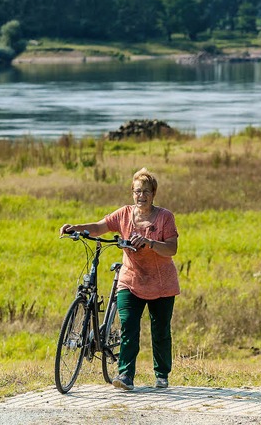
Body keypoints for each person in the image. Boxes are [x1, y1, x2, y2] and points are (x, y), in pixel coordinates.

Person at [59, 167, 179, 391]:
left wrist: (150, 243)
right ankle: (125, 375)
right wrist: (75, 228)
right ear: (132, 193)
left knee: (160, 330)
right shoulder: (124, 214)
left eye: (145, 191)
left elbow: (172, 248)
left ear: (153, 193)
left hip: (162, 283)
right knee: (128, 326)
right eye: (136, 191)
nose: (140, 195)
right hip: (131, 279)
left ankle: (161, 374)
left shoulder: (165, 217)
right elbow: (99, 227)